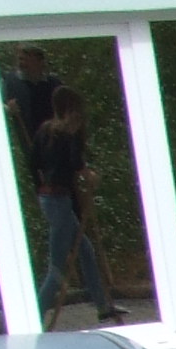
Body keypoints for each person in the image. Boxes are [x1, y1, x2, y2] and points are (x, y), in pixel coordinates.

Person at [32, 88, 113, 325]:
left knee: (85, 250)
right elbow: (75, 163)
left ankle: (102, 305)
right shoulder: (66, 134)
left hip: (50, 198)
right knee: (57, 268)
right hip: (58, 200)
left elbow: (34, 161)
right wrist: (88, 175)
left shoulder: (44, 130)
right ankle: (34, 315)